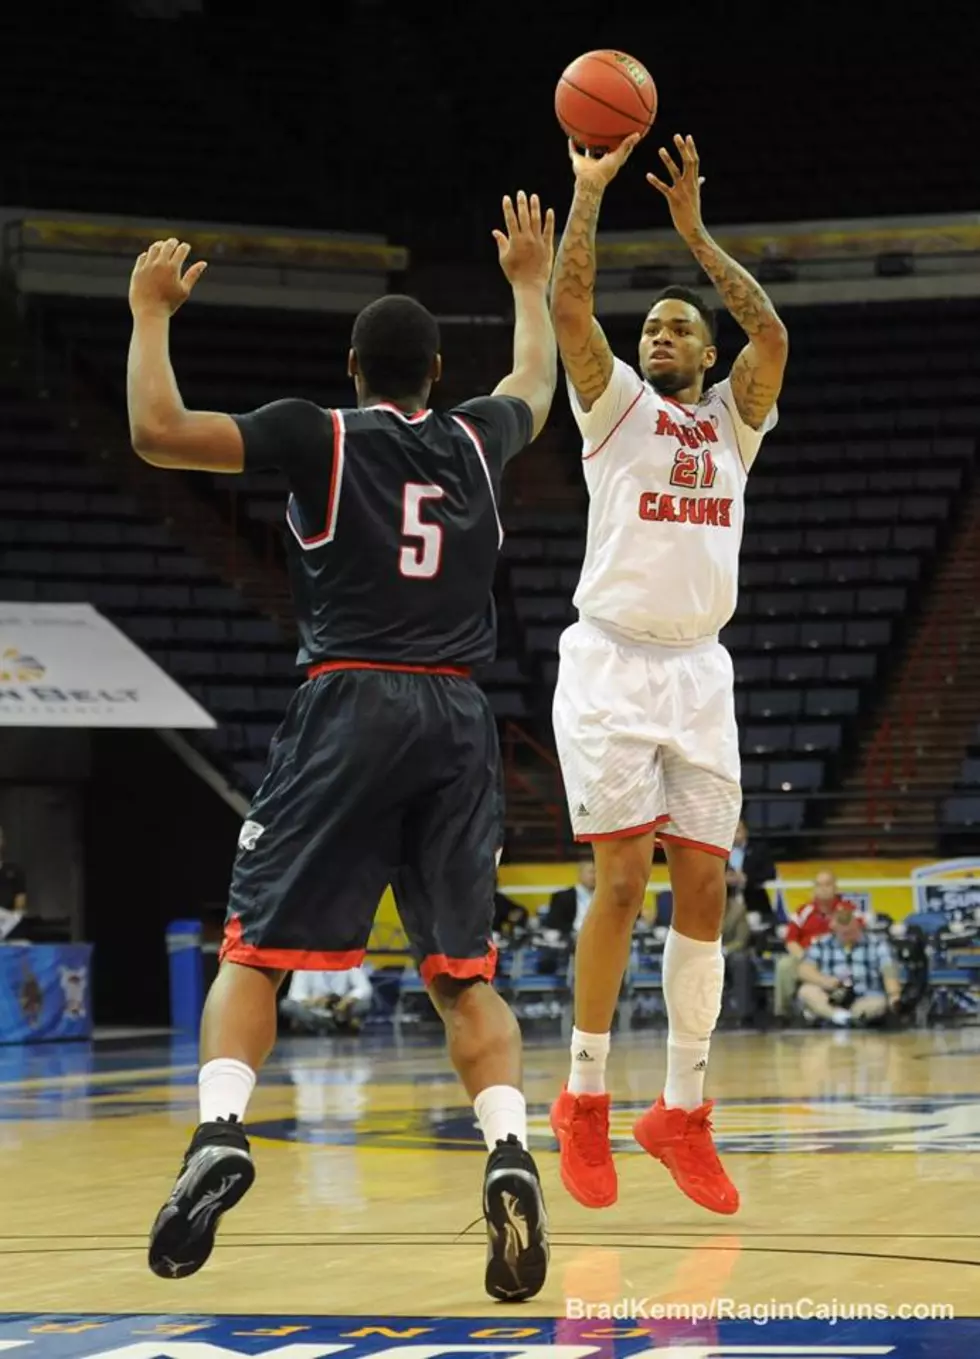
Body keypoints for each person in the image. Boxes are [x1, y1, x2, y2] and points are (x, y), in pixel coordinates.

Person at [127, 190, 557, 1301]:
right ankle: (509, 1148)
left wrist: (149, 316)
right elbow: (533, 388)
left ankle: (220, 1131)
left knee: (253, 954)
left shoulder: (309, 432)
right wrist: (523, 286)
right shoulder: (478, 437)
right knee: (462, 976)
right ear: (431, 375)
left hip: (350, 698)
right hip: (459, 714)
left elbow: (158, 433)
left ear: (353, 367)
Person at [548, 130, 789, 1216]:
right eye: (649, 323)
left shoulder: (732, 421)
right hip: (609, 665)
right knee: (618, 883)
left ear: (704, 355)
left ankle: (679, 1111)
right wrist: (587, 193)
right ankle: (584, 1100)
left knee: (706, 884)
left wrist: (695, 236)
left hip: (700, 673)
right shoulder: (613, 409)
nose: (657, 331)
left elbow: (771, 331)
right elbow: (568, 308)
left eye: (676, 324)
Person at [773, 870, 866, 1022]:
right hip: (806, 957)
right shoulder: (804, 911)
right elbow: (791, 940)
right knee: (784, 965)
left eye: (828, 884)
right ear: (814, 888)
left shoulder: (849, 909)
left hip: (838, 957)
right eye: (819, 885)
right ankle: (783, 1014)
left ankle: (837, 1009)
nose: (823, 889)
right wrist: (803, 957)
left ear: (835, 887)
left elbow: (858, 933)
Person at [797, 908, 901, 1026]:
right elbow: (804, 970)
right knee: (806, 991)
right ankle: (838, 1016)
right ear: (835, 929)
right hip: (831, 996)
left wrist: (894, 995)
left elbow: (889, 970)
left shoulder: (877, 944)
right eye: (844, 933)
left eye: (852, 931)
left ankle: (849, 1019)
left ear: (857, 925)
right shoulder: (822, 944)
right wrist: (824, 981)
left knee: (878, 1004)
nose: (849, 935)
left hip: (866, 995)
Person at [279, 966, 373, 1034]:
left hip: (342, 1010)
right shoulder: (306, 964)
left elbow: (365, 988)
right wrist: (317, 1002)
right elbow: (295, 995)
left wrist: (347, 999)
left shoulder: (349, 960)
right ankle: (334, 1026)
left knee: (364, 1004)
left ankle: (332, 1025)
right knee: (286, 1005)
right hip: (315, 1011)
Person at [726, 819, 775, 922]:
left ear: (746, 831)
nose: (734, 834)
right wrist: (724, 879)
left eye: (738, 830)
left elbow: (770, 873)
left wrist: (746, 878)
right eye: (731, 831)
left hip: (754, 903)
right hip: (727, 905)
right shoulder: (722, 853)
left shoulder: (759, 849)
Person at [542, 853, 596, 940]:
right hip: (572, 937)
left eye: (598, 873)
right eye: (591, 872)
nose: (595, 876)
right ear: (580, 874)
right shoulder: (563, 896)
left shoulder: (605, 898)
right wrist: (575, 932)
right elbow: (554, 922)